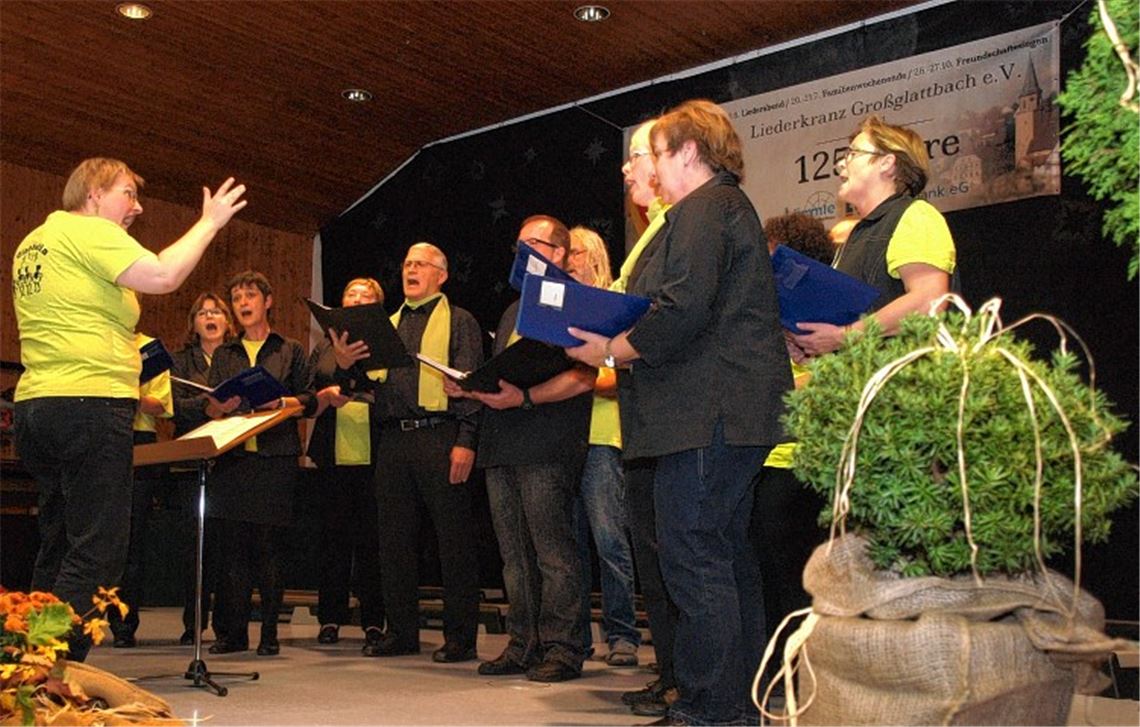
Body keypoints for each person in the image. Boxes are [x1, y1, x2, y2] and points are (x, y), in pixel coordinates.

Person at [566, 100, 793, 725]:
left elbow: (681, 307)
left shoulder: (704, 208)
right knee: (723, 557)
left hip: (707, 413)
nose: (650, 169)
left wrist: (610, 349)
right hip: (723, 413)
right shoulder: (720, 209)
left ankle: (708, 709)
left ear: (688, 152)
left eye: (657, 154)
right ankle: (735, 706)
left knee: (694, 558)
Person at [12, 157, 246, 661]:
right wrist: (209, 223)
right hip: (87, 406)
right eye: (127, 194)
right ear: (94, 194)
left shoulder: (34, 241)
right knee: (98, 551)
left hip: (38, 406)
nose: (136, 207)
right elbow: (162, 275)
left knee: (59, 546)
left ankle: (23, 662)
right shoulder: (88, 231)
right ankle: (52, 668)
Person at [447, 215, 595, 683]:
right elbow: (507, 375)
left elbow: (585, 375)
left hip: (548, 440)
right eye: (517, 246)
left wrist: (526, 396)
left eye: (532, 244)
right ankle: (522, 644)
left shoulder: (575, 301)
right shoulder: (514, 309)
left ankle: (564, 648)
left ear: (558, 253)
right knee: (513, 555)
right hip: (502, 441)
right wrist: (471, 389)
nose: (521, 254)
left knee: (553, 551)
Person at [332, 245, 484, 662]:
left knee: (453, 541)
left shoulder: (460, 320)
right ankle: (401, 632)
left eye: (421, 264)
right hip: (393, 439)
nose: (411, 269)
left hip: (440, 435)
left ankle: (460, 638)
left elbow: (471, 383)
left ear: (442, 274)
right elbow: (362, 386)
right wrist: (345, 364)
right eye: (406, 264)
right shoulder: (386, 323)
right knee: (393, 540)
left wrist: (466, 439)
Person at [204, 270, 319, 657]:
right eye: (236, 299)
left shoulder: (289, 349)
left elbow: (309, 398)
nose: (243, 304)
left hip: (275, 459)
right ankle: (231, 634)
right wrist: (217, 406)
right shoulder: (225, 353)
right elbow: (211, 404)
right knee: (232, 552)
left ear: (267, 301)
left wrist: (279, 403)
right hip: (233, 459)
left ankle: (269, 633)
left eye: (250, 296)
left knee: (269, 549)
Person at [613, 118, 682, 719]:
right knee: (654, 562)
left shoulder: (677, 228)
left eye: (638, 156)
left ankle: (688, 679)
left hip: (669, 420)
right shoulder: (650, 233)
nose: (629, 168)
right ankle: (672, 673)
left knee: (676, 559)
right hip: (641, 421)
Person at [791, 115, 956, 357]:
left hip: (905, 387)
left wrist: (844, 336)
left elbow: (929, 302)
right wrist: (814, 347)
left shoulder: (916, 215)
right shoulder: (857, 235)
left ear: (887, 163)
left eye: (852, 154)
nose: (840, 163)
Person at [566, 226, 641, 668]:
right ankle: (573, 636)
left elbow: (621, 375)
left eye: (575, 252)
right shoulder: (559, 310)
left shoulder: (614, 301)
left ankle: (622, 634)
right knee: (568, 544)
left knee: (609, 539)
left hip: (601, 436)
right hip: (561, 437)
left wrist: (579, 379)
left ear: (594, 256)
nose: (569, 260)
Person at [305, 278, 387, 654]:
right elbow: (309, 393)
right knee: (332, 542)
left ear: (377, 306)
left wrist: (360, 391)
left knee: (374, 543)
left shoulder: (386, 345)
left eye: (364, 296)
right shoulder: (323, 346)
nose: (356, 299)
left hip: (376, 456)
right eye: (349, 294)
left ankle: (374, 620)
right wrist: (330, 385)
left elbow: (392, 393)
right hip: (331, 456)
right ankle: (330, 618)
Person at [170, 292, 237, 646]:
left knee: (225, 548)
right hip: (190, 459)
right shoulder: (181, 361)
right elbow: (174, 406)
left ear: (228, 322)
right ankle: (193, 622)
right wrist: (208, 405)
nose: (210, 317)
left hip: (231, 461)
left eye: (217, 312)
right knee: (193, 548)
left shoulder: (237, 357)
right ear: (194, 323)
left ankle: (227, 627)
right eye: (203, 312)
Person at [107, 332, 174, 648]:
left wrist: (126, 394)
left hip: (139, 440)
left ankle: (124, 623)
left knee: (133, 540)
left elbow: (161, 404)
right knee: (97, 534)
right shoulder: (98, 338)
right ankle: (87, 618)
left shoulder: (149, 347)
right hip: (102, 436)